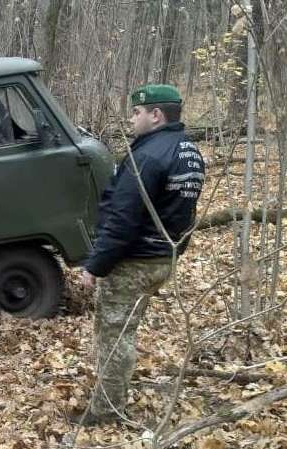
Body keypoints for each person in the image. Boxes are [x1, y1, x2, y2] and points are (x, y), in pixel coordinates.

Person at [79, 84, 205, 425]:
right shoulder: (190, 152)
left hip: (135, 261)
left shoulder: (146, 157)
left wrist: (95, 265)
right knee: (126, 331)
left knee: (114, 335)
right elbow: (185, 213)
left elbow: (123, 218)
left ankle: (106, 411)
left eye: (136, 112)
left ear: (156, 115)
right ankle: (113, 398)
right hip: (163, 258)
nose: (131, 118)